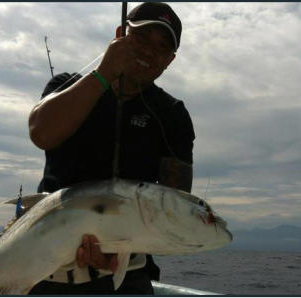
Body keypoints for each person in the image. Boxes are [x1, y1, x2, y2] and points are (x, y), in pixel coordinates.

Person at [28, 2, 195, 295]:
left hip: (127, 276)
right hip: (48, 271)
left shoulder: (172, 114)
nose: (148, 51)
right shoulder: (66, 85)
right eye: (141, 37)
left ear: (170, 60)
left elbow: (174, 210)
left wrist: (117, 249)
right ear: (120, 34)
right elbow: (41, 133)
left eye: (161, 47)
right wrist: (104, 73)